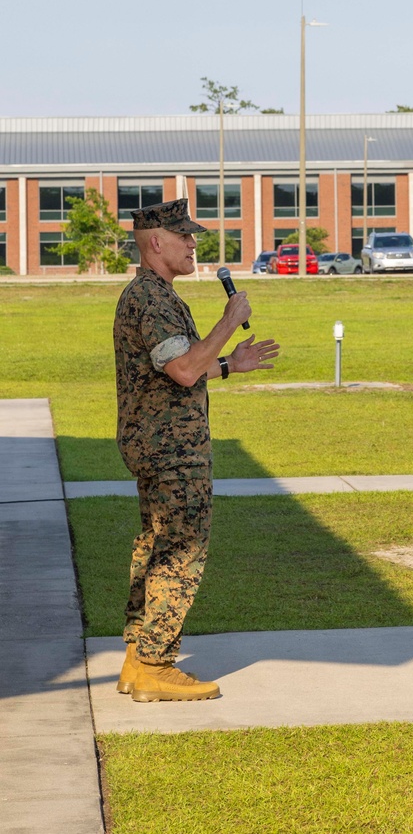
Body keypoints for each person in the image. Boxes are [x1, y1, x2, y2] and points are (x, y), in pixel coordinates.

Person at [112, 199, 280, 704]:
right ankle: (154, 665)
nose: (193, 244)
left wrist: (229, 365)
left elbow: (178, 364)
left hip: (156, 443)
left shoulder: (153, 295)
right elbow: (184, 371)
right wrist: (229, 320)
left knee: (154, 546)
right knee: (180, 553)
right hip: (171, 449)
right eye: (184, 236)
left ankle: (136, 657)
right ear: (155, 242)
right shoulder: (152, 299)